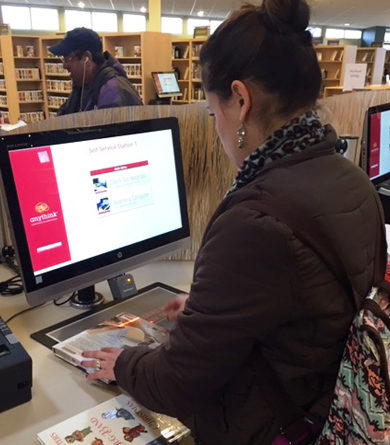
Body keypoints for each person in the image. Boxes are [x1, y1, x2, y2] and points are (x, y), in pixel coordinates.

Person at [80, 0, 387, 443]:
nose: (217, 129)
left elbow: (174, 380)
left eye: (212, 113)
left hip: (271, 427)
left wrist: (123, 363)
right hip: (327, 405)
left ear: (241, 100)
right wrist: (215, 313)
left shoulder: (254, 220)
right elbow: (308, 309)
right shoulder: (354, 179)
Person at [49, 27, 142, 115]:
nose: (64, 66)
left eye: (68, 58)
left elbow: (112, 131)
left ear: (86, 58)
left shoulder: (113, 90)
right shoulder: (82, 86)